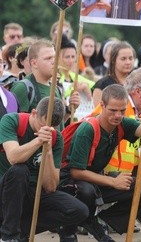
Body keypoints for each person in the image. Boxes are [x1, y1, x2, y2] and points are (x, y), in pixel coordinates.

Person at [59, 84, 141, 241]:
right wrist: (113, 181)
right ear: (102, 105)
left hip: (98, 179)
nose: (118, 115)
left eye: (122, 111)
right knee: (86, 191)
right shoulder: (87, 130)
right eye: (113, 110)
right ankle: (79, 225)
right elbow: (76, 172)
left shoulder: (122, 124)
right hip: (72, 183)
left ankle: (100, 221)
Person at [0, 98, 88, 242]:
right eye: (43, 125)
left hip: (33, 193)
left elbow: (51, 186)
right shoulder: (11, 121)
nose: (47, 130)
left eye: (53, 127)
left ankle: (21, 229)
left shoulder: (55, 138)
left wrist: (48, 152)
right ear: (34, 113)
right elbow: (13, 158)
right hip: (6, 192)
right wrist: (38, 141)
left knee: (79, 211)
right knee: (19, 171)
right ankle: (9, 237)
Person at [10, 40, 80, 127]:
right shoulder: (23, 88)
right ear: (34, 63)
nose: (54, 61)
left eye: (54, 57)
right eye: (48, 58)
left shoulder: (56, 88)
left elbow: (57, 125)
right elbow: (13, 126)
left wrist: (70, 109)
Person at [92, 41, 135, 107]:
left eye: (130, 58)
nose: (128, 62)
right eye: (123, 59)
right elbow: (98, 114)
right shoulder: (102, 85)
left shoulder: (136, 82)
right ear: (113, 60)